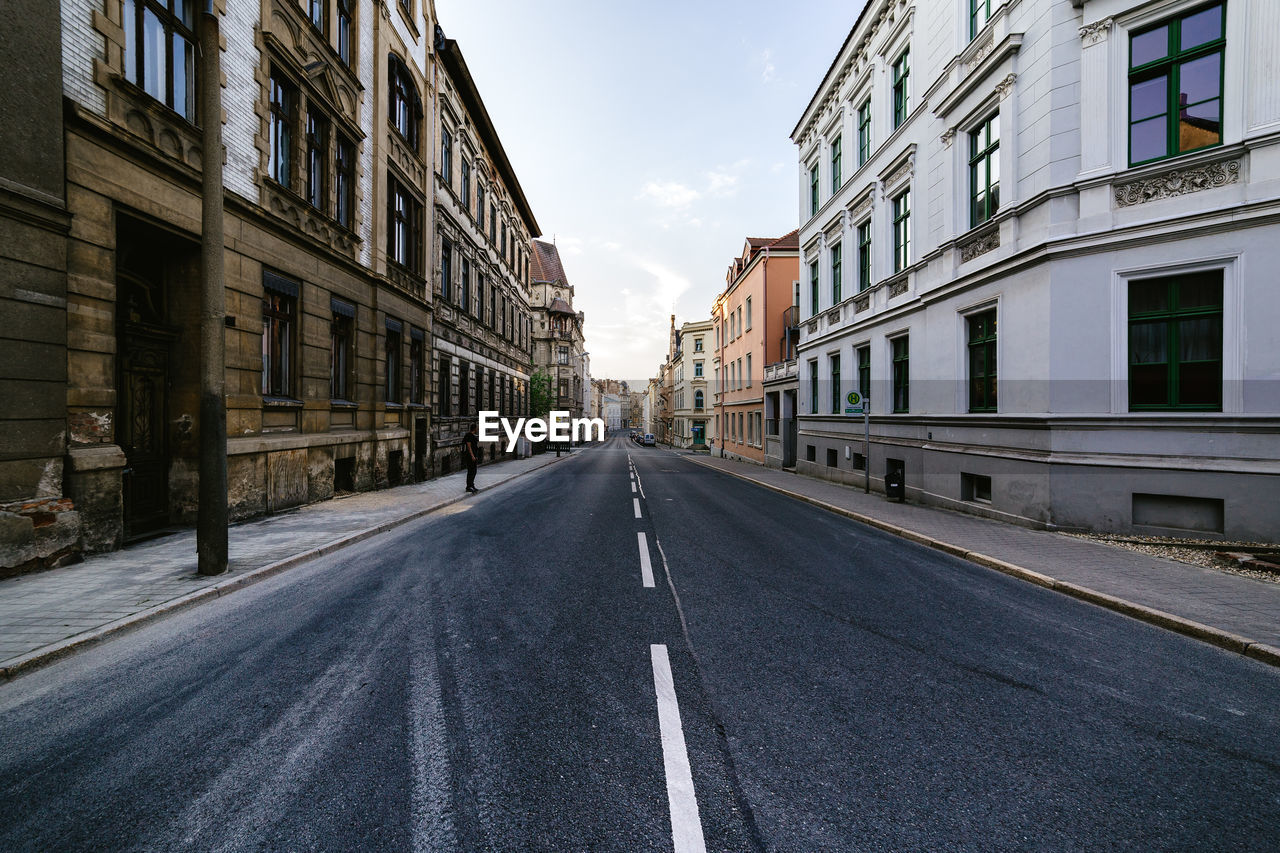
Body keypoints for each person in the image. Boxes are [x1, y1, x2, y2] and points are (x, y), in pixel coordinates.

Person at [464, 423, 480, 493]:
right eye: (477, 428)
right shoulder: (469, 436)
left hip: (474, 456)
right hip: (470, 457)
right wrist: (472, 456)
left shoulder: (472, 435)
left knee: (474, 471)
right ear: (474, 428)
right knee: (471, 471)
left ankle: (472, 485)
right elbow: (469, 446)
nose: (478, 429)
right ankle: (468, 487)